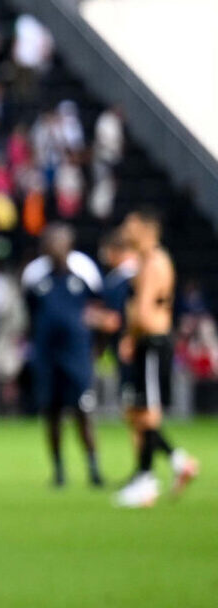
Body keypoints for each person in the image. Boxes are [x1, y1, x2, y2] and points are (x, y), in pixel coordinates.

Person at [112, 208, 199, 507]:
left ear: (147, 230)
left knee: (147, 412)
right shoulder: (145, 261)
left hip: (153, 342)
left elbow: (146, 313)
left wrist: (131, 335)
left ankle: (146, 481)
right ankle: (177, 462)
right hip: (147, 342)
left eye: (131, 224)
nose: (126, 229)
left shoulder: (153, 263)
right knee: (136, 411)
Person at [20, 223, 106, 490]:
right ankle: (58, 471)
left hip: (77, 354)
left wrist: (96, 348)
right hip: (47, 355)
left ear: (69, 244)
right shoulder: (34, 274)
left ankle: (93, 468)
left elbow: (99, 308)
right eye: (49, 242)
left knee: (83, 410)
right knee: (52, 413)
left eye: (59, 241)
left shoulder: (84, 270)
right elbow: (30, 312)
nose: (54, 247)